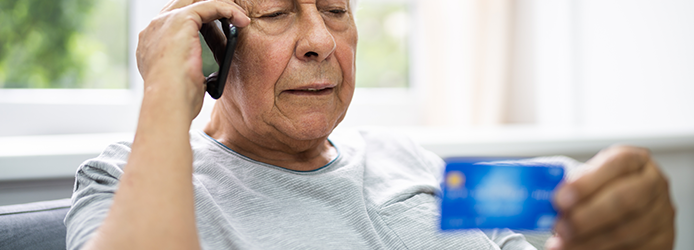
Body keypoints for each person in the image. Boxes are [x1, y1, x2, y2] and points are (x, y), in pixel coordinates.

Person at [64, 0, 676, 249]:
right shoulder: (124, 179)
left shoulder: (409, 159)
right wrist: (167, 95)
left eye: (336, 9)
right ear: (211, 42)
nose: (321, 39)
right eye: (275, 11)